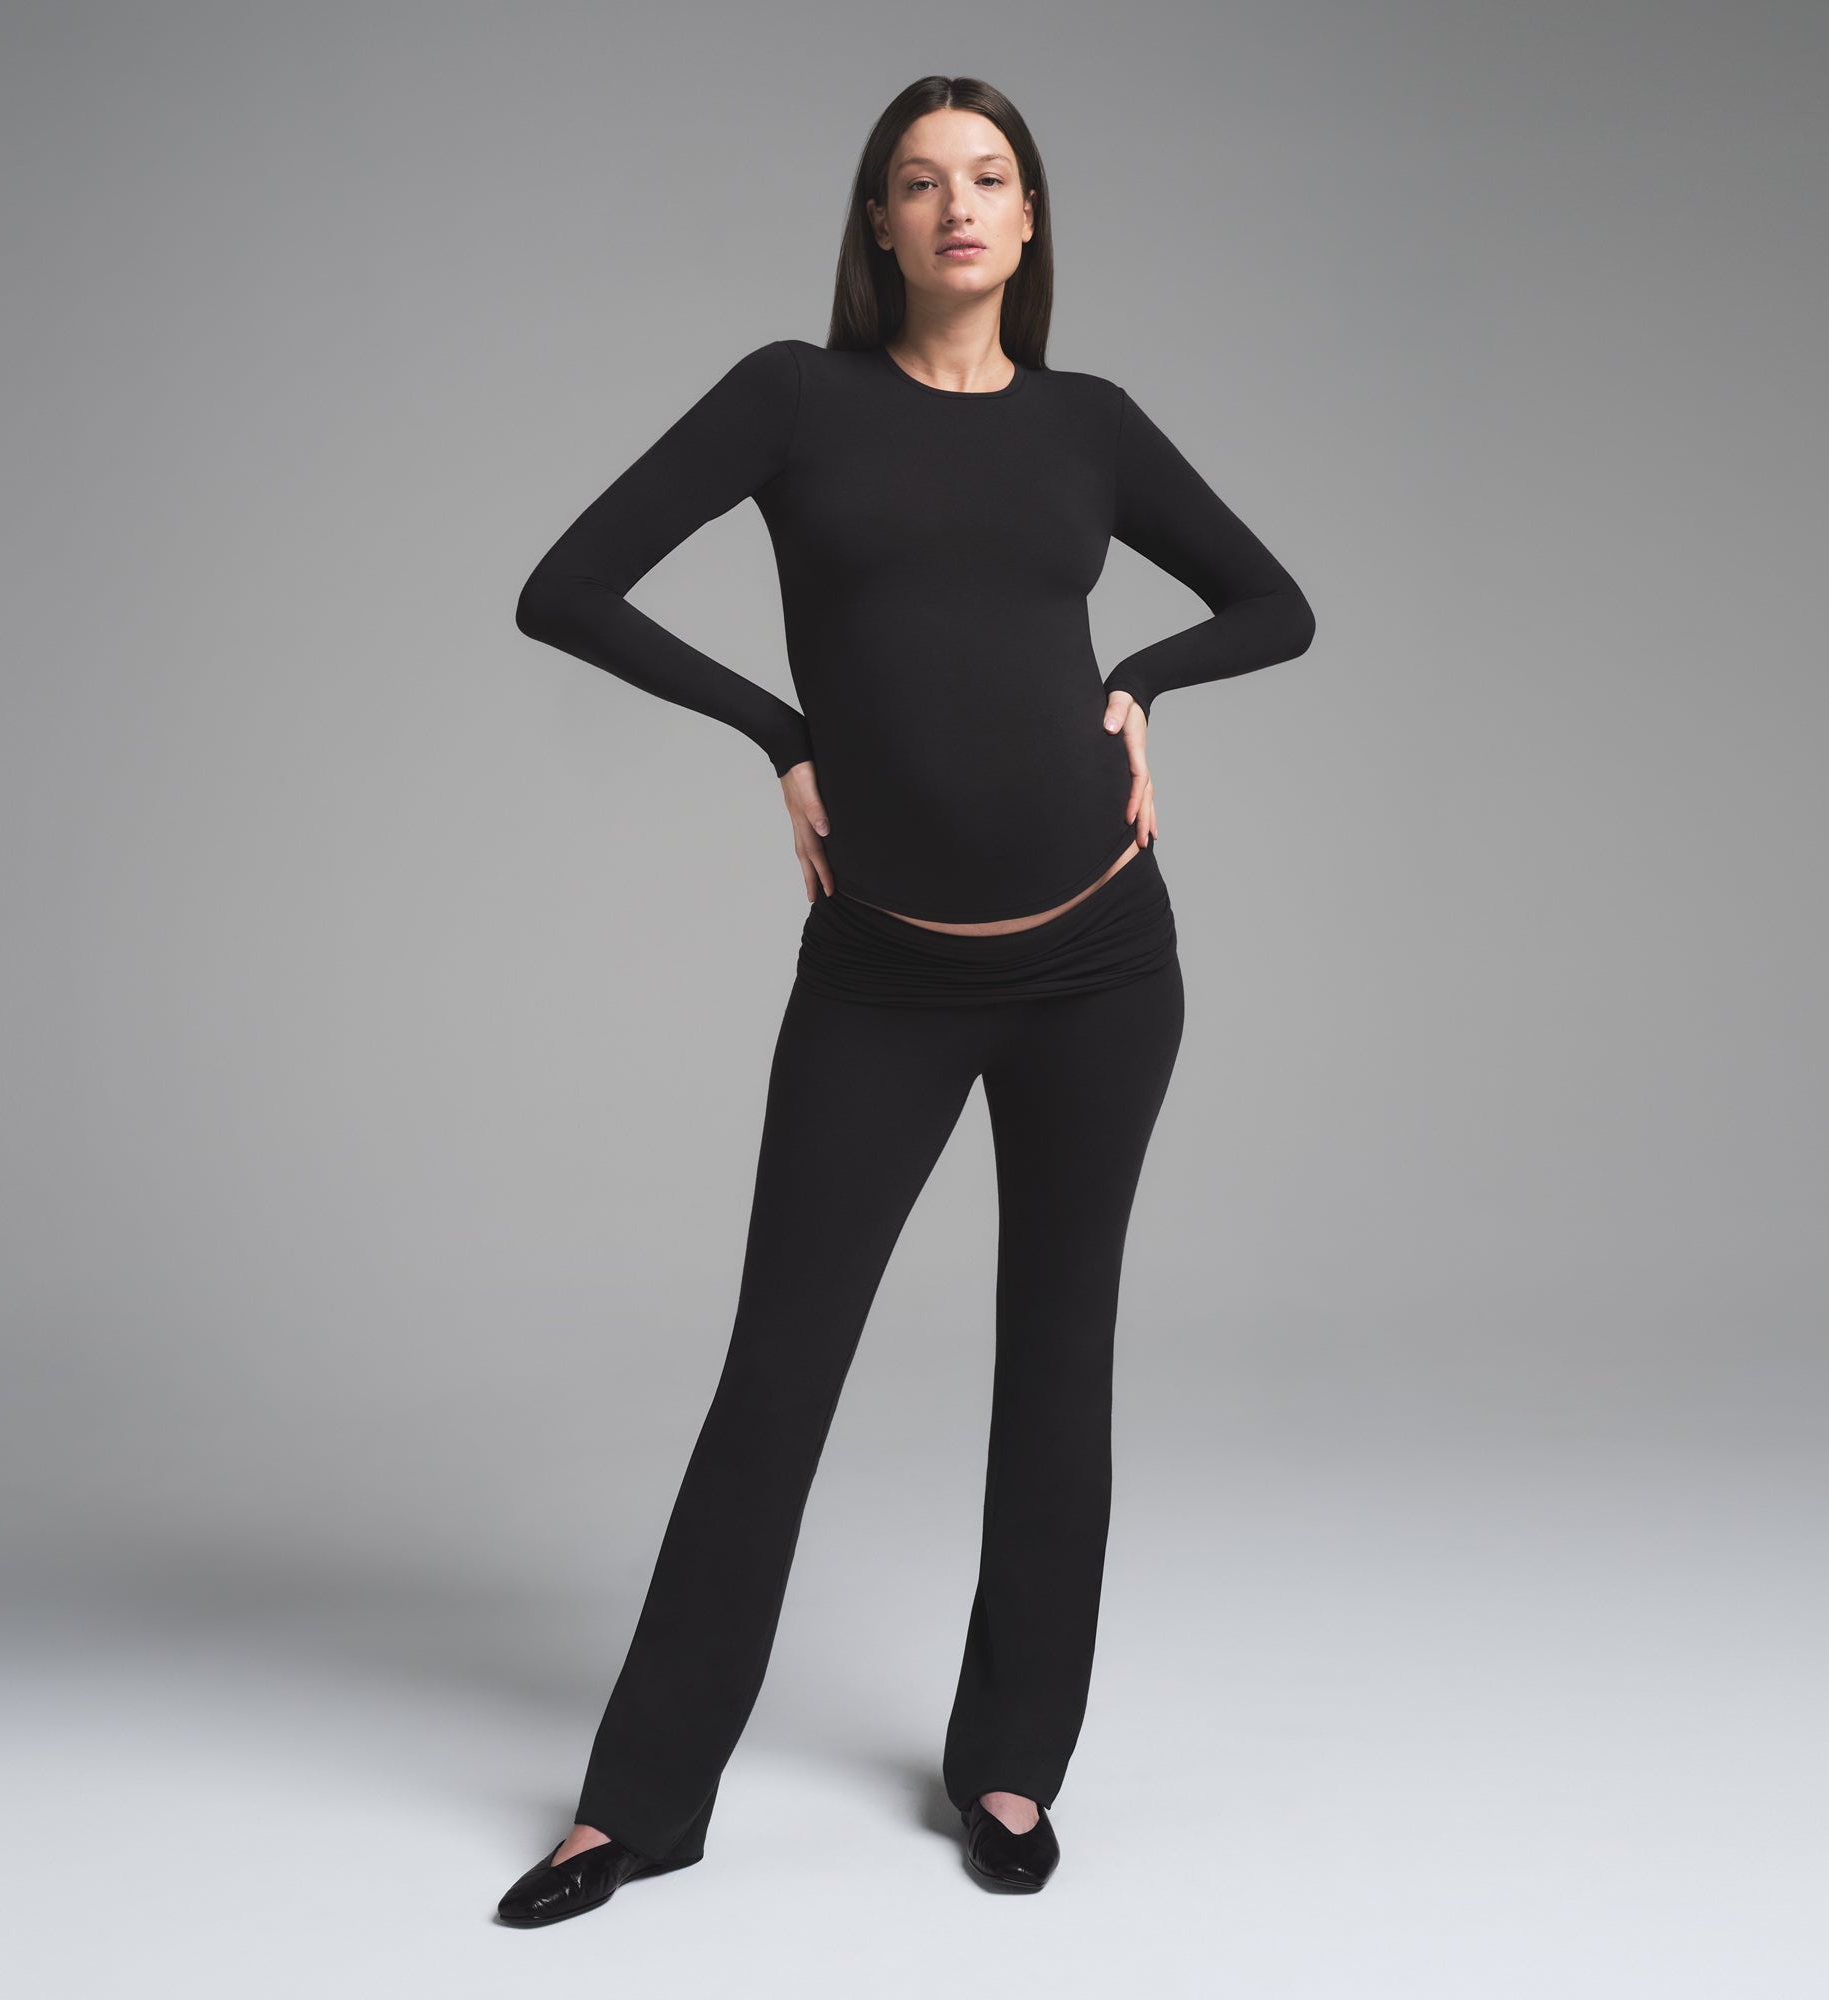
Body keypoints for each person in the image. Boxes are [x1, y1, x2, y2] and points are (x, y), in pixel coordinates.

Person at [494, 74, 1315, 1927]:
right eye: (922, 180)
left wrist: (1144, 683)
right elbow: (567, 587)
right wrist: (776, 734)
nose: (958, 205)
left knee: (1060, 1361)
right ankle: (637, 1803)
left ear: (1029, 221)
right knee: (778, 1375)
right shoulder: (795, 398)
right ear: (877, 221)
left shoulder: (1090, 426)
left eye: (990, 177)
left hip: (1103, 963)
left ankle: (1013, 1763)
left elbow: (1277, 604)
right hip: (886, 972)